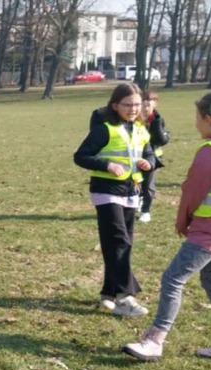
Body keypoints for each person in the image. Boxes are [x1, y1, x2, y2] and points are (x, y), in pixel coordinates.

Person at [122, 91, 211, 362]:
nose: (196, 123)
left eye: (197, 117)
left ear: (209, 119)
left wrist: (183, 221)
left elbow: (193, 191)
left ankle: (154, 341)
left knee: (173, 278)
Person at [74, 83, 155, 317]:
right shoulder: (104, 129)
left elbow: (149, 153)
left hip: (131, 191)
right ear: (114, 105)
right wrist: (107, 165)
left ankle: (108, 293)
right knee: (119, 241)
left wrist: (148, 163)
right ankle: (124, 296)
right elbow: (81, 156)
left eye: (137, 104)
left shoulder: (140, 129)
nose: (133, 109)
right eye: (127, 104)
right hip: (106, 191)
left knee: (120, 243)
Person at [138, 90, 170, 223]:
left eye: (147, 104)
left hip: (152, 158)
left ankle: (145, 211)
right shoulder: (134, 118)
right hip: (135, 156)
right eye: (142, 104)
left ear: (155, 104)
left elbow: (163, 140)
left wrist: (156, 124)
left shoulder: (158, 119)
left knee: (148, 185)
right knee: (136, 182)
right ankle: (139, 199)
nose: (144, 107)